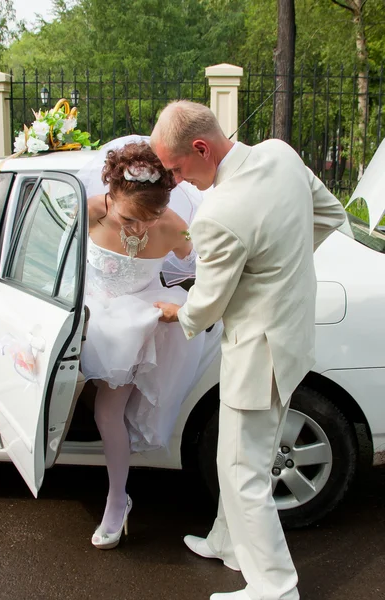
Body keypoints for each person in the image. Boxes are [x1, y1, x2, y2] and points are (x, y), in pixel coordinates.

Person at [150, 101, 346, 600]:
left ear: (201, 149)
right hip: (292, 336)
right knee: (236, 458)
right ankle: (227, 541)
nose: (176, 182)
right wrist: (283, 261)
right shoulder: (280, 154)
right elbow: (330, 213)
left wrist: (178, 313)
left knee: (243, 474)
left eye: (176, 170)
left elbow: (208, 305)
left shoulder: (218, 212)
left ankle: (274, 588)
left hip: (260, 352)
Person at [78, 139, 218, 550]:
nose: (138, 229)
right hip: (89, 315)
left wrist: (184, 308)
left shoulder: (175, 226)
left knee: (108, 411)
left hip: (134, 323)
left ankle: (117, 500)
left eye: (150, 217)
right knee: (83, 397)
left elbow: (208, 263)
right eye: (129, 218)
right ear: (110, 195)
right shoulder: (88, 210)